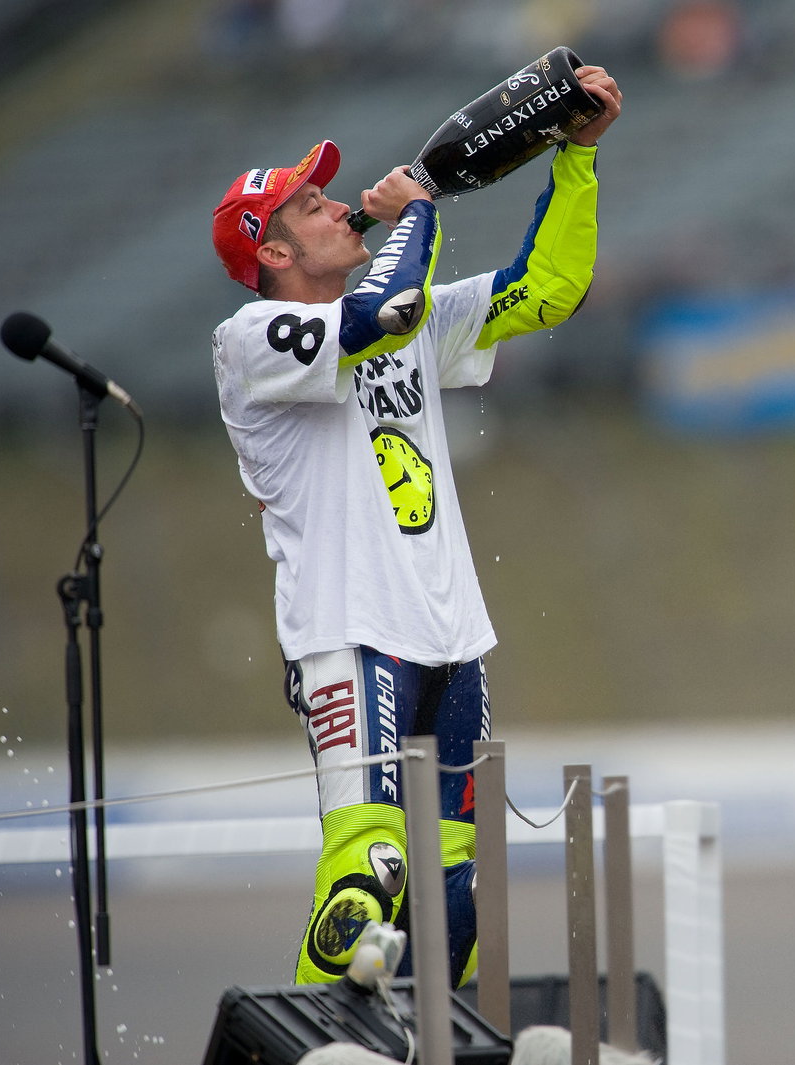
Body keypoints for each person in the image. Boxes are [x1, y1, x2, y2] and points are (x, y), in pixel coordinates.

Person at [209, 65, 622, 988]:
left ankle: (423, 1040)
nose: (337, 207)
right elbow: (381, 317)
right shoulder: (250, 337)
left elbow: (548, 287)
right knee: (370, 873)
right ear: (274, 251)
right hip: (350, 633)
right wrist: (420, 208)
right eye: (310, 206)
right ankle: (318, 1044)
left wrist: (575, 159)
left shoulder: (420, 320)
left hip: (450, 638)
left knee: (454, 901)